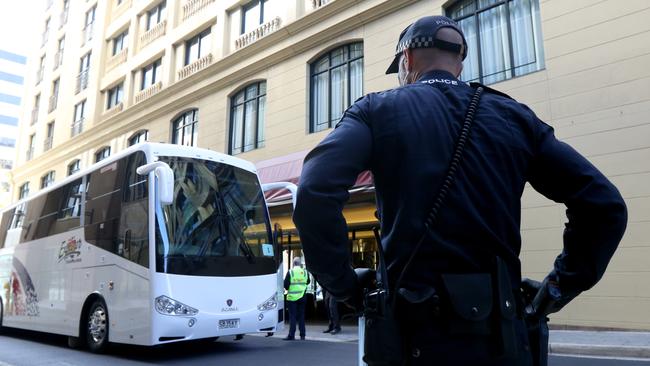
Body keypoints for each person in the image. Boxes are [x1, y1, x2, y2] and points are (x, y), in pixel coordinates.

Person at [292, 15, 627, 366]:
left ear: (406, 60)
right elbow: (603, 205)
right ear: (460, 63)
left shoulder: (376, 110)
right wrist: (558, 287)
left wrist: (345, 286)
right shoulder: (514, 117)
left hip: (413, 339)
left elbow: (314, 191)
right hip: (502, 340)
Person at [283, 257, 310, 341]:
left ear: (293, 263)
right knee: (301, 316)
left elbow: (286, 285)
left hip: (292, 298)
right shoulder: (305, 272)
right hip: (302, 297)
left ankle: (291, 335)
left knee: (293, 317)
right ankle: (302, 335)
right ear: (300, 264)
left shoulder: (291, 272)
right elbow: (308, 282)